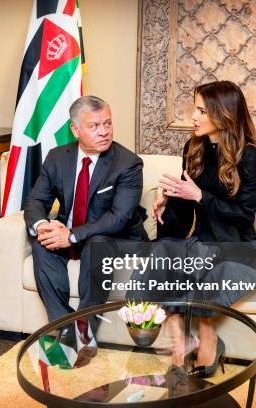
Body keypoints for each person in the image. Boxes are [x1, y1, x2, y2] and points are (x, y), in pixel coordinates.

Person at [151, 81, 256, 378]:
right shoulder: (193, 147)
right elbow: (181, 223)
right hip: (202, 243)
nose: (193, 116)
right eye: (195, 108)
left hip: (239, 249)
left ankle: (208, 340)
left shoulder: (248, 156)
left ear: (223, 114)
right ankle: (180, 341)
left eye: (201, 110)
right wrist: (168, 203)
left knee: (210, 276)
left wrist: (200, 196)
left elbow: (244, 216)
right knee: (161, 257)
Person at [24, 95, 149, 363]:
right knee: (41, 245)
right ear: (75, 129)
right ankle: (64, 328)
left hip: (117, 239)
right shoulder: (58, 157)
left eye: (108, 123)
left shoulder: (127, 163)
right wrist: (44, 226)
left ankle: (84, 330)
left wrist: (71, 235)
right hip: (74, 236)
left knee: (96, 245)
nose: (104, 131)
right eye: (94, 126)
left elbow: (119, 218)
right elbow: (36, 200)